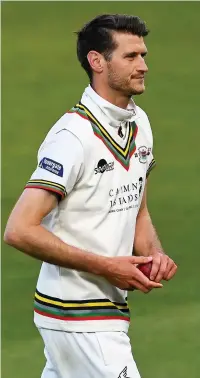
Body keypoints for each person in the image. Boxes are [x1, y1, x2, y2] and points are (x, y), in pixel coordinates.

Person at [4, 14, 177, 378]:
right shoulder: (73, 137)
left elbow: (137, 210)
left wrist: (154, 253)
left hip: (101, 313)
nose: (143, 66)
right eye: (130, 57)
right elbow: (19, 229)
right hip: (78, 313)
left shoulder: (139, 124)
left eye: (143, 55)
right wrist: (108, 266)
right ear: (97, 61)